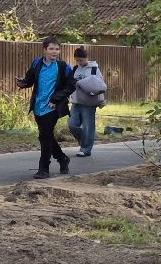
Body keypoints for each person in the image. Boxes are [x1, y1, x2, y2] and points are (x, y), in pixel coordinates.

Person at [15, 37, 76, 179]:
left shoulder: (63, 66)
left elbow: (71, 86)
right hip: (38, 106)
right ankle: (62, 158)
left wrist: (56, 98)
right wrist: (22, 83)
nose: (54, 52)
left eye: (57, 49)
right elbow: (29, 80)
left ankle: (43, 168)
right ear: (45, 50)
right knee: (46, 136)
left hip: (52, 107)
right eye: (51, 49)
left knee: (45, 136)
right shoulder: (37, 63)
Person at [68, 46, 109, 157]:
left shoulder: (94, 69)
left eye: (80, 60)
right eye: (77, 60)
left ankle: (86, 149)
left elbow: (100, 86)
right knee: (72, 125)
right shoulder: (75, 69)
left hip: (89, 102)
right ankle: (85, 140)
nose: (79, 62)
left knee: (87, 126)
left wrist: (101, 101)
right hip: (76, 101)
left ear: (86, 58)